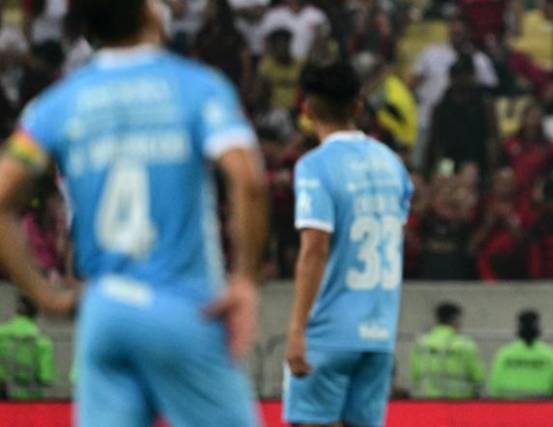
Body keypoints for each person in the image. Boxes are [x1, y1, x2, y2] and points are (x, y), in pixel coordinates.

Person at [0, 0, 269, 425]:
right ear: (149, 13)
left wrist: (45, 295)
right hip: (182, 306)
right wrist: (245, 280)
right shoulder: (198, 86)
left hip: (104, 310)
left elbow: (1, 199)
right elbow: (248, 180)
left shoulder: (55, 104)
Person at [283, 61, 413, 427]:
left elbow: (315, 249)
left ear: (306, 110)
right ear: (358, 107)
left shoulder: (315, 166)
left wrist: (296, 331)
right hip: (379, 335)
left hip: (328, 333)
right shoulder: (393, 165)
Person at [410, 302, 485, 399]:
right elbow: (478, 378)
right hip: (459, 404)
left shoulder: (421, 344)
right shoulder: (466, 345)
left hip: (426, 403)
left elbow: (415, 376)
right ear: (456, 320)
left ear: (437, 320)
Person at [487, 310, 553, 399]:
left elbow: (494, 387)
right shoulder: (551, 355)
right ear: (538, 329)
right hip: (541, 407)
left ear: (518, 329)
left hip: (510, 407)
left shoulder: (504, 354)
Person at [0, 296, 54, 400]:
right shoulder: (43, 341)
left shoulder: (1, 333)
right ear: (36, 313)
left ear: (16, 311)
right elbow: (46, 377)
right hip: (30, 399)